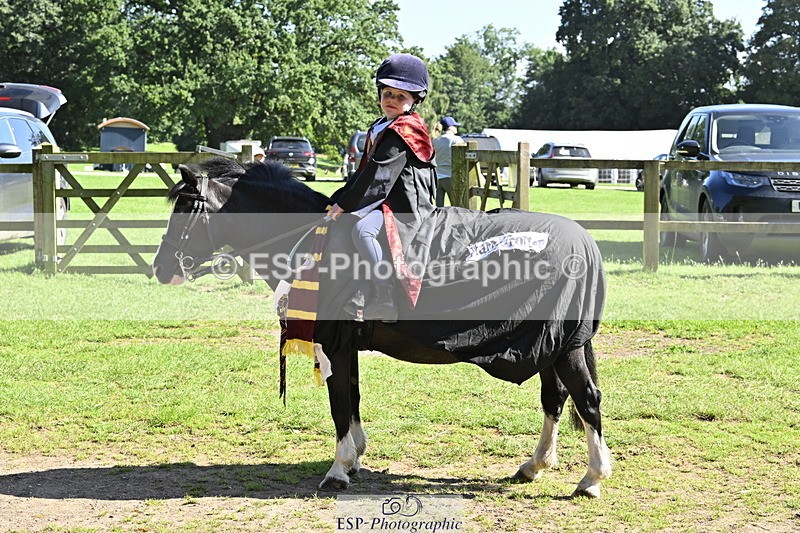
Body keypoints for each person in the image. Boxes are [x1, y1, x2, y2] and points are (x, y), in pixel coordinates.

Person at [326, 53, 436, 321]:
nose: (392, 100)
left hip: (405, 204)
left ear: (414, 100)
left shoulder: (405, 130)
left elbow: (379, 177)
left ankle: (383, 293)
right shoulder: (381, 125)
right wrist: (338, 198)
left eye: (401, 96)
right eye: (388, 93)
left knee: (364, 230)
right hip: (384, 198)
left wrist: (347, 204)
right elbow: (364, 171)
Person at [432, 116, 463, 207]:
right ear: (450, 127)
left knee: (439, 208)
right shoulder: (457, 140)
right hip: (450, 177)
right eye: (455, 126)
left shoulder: (435, 140)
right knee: (457, 207)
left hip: (437, 178)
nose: (456, 128)